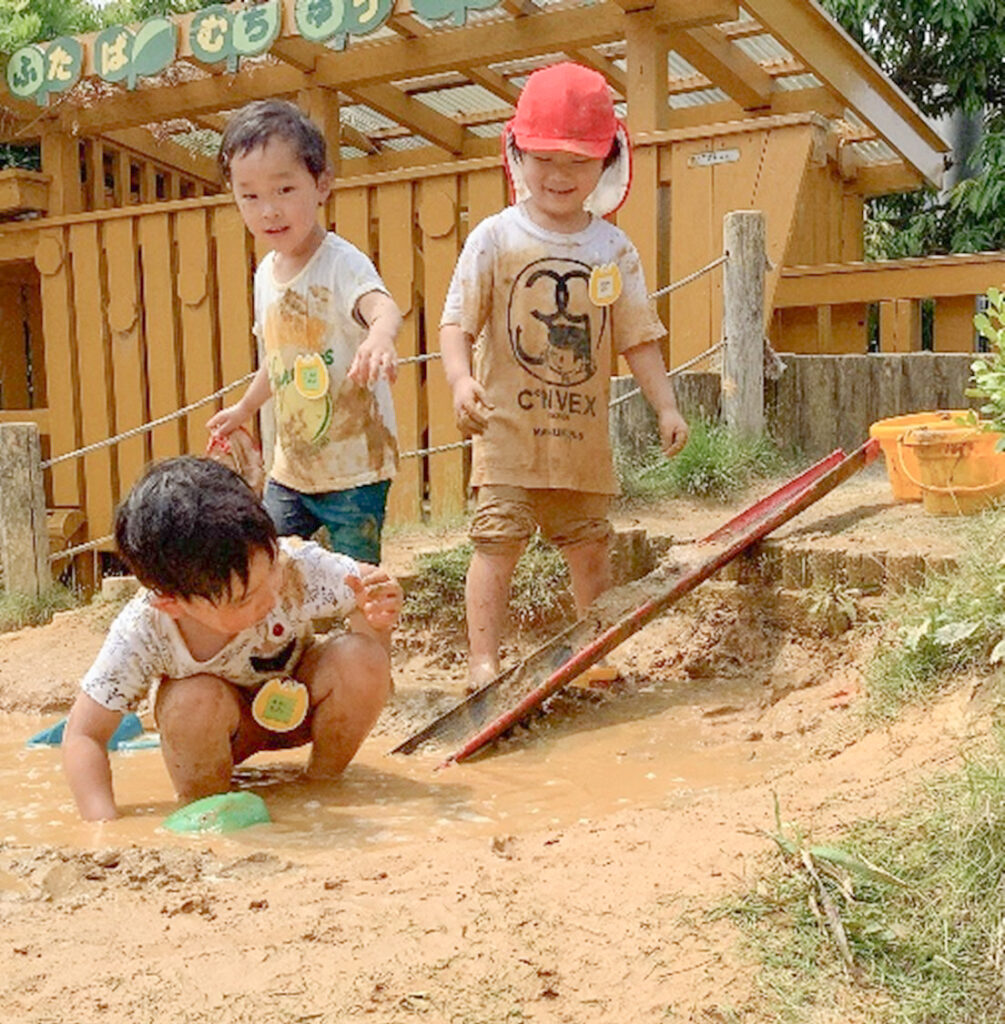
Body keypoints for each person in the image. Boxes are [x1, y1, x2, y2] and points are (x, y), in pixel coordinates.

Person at [439, 61, 690, 688]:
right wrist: (460, 380)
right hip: (506, 431)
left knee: (590, 546)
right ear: (516, 153)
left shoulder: (613, 249)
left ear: (606, 163)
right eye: (544, 158)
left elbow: (638, 338)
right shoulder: (494, 238)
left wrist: (667, 407)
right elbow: (456, 322)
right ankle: (482, 661)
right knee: (496, 542)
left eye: (577, 161)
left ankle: (591, 651)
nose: (558, 175)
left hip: (581, 438)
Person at [62, 457, 402, 822]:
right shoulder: (145, 630)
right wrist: (102, 825)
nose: (270, 594)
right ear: (172, 603)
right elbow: (84, 735)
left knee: (360, 657)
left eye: (271, 567)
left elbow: (372, 646)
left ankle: (322, 783)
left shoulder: (295, 568)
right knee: (190, 699)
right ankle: (208, 808)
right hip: (223, 730)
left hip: (302, 708)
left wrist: (377, 615)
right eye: (244, 598)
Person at [207, 99, 402, 564]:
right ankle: (291, 640)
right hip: (291, 471)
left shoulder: (341, 263)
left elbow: (384, 307)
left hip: (356, 467)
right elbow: (278, 363)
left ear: (322, 185)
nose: (268, 210)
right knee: (265, 565)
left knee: (358, 580)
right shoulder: (265, 276)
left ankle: (367, 639)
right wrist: (243, 408)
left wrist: (378, 337)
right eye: (249, 196)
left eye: (284, 189)